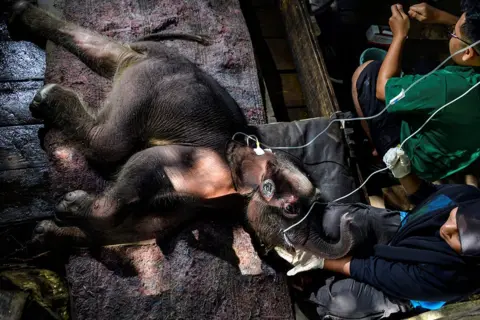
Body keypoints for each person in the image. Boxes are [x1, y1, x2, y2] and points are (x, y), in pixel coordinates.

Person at [276, 147, 480, 319]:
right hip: (405, 229)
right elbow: (428, 195)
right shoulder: (466, 196)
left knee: (341, 300)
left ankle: (312, 289)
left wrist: (321, 262)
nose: (446, 228)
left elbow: (374, 270)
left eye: (458, 237)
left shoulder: (450, 280)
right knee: (333, 220)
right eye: (455, 217)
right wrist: (404, 173)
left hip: (406, 287)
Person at [352, 1, 480, 182]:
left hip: (419, 163)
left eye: (453, 34)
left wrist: (399, 35)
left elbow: (383, 89)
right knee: (424, 64)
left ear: (468, 52)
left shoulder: (446, 86)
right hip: (457, 147)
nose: (451, 34)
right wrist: (438, 17)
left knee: (367, 72)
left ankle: (382, 154)